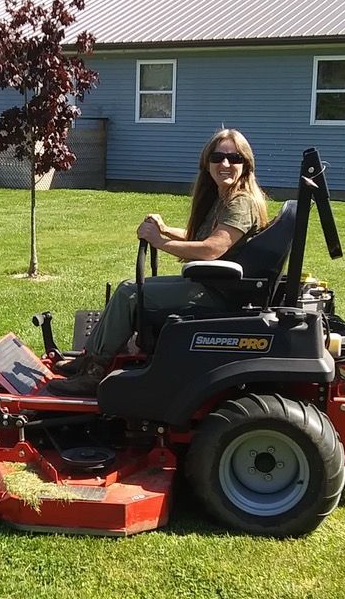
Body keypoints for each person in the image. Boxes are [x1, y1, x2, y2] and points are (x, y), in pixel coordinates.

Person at [48, 128, 269, 397]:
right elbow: (204, 238)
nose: (224, 164)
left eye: (234, 158)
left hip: (217, 294)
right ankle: (90, 360)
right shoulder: (226, 197)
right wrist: (164, 229)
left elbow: (213, 249)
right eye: (217, 156)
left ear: (245, 164)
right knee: (127, 289)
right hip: (214, 285)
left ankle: (94, 373)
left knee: (129, 293)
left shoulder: (240, 202)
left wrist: (159, 242)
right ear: (206, 161)